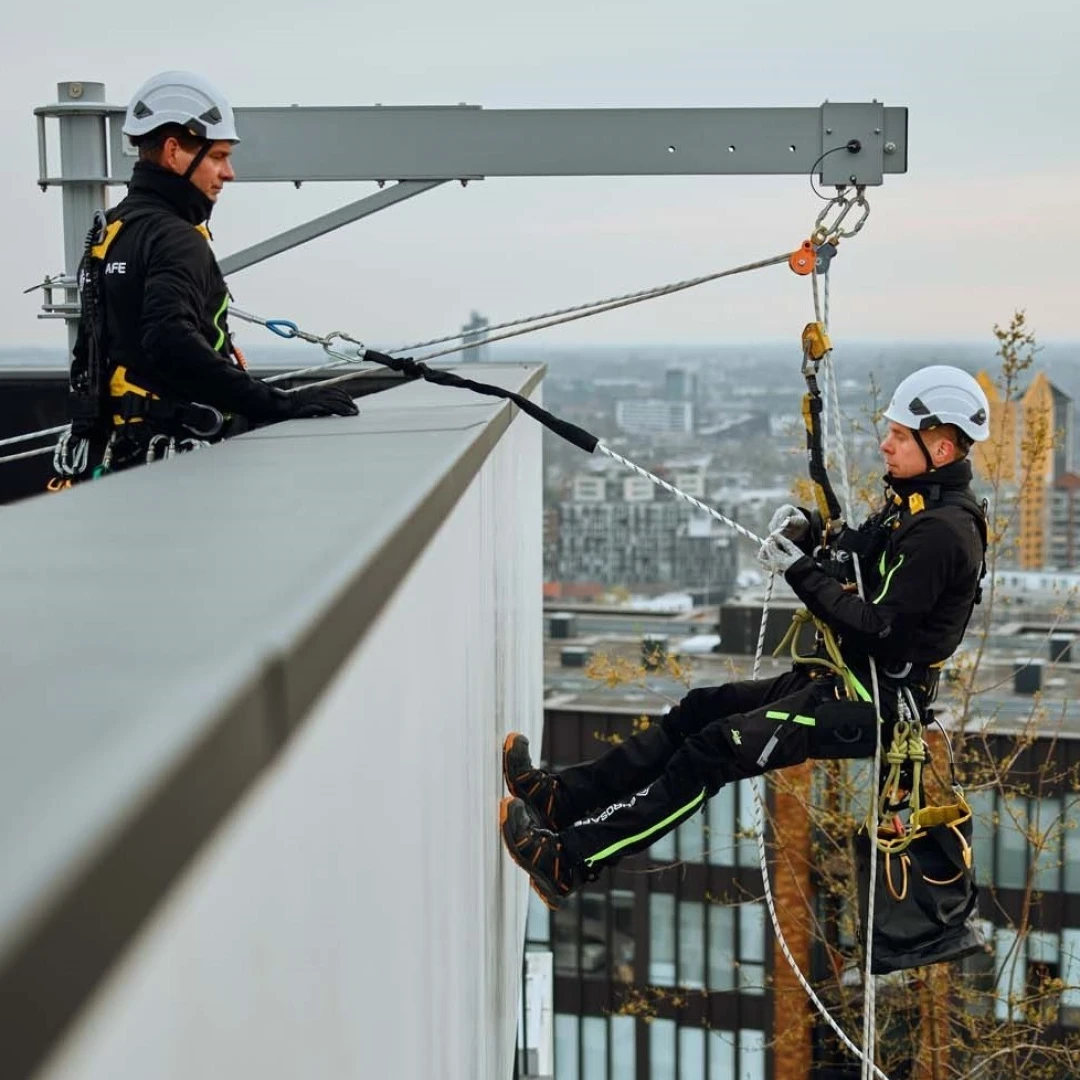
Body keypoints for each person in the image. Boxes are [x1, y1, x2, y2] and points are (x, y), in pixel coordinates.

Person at [500, 365, 990, 908]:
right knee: (700, 710)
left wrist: (800, 572)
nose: (885, 444)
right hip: (847, 682)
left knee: (713, 751)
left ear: (941, 449)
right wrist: (809, 528)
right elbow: (860, 554)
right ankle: (563, 799)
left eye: (899, 436)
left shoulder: (944, 533)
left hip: (872, 703)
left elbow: (883, 631)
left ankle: (568, 861)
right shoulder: (915, 506)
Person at [67, 71, 356, 474]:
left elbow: (94, 352)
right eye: (218, 157)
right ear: (173, 152)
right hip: (173, 466)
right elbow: (170, 340)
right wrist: (281, 404)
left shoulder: (111, 230)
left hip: (119, 455)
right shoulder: (175, 237)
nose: (228, 173)